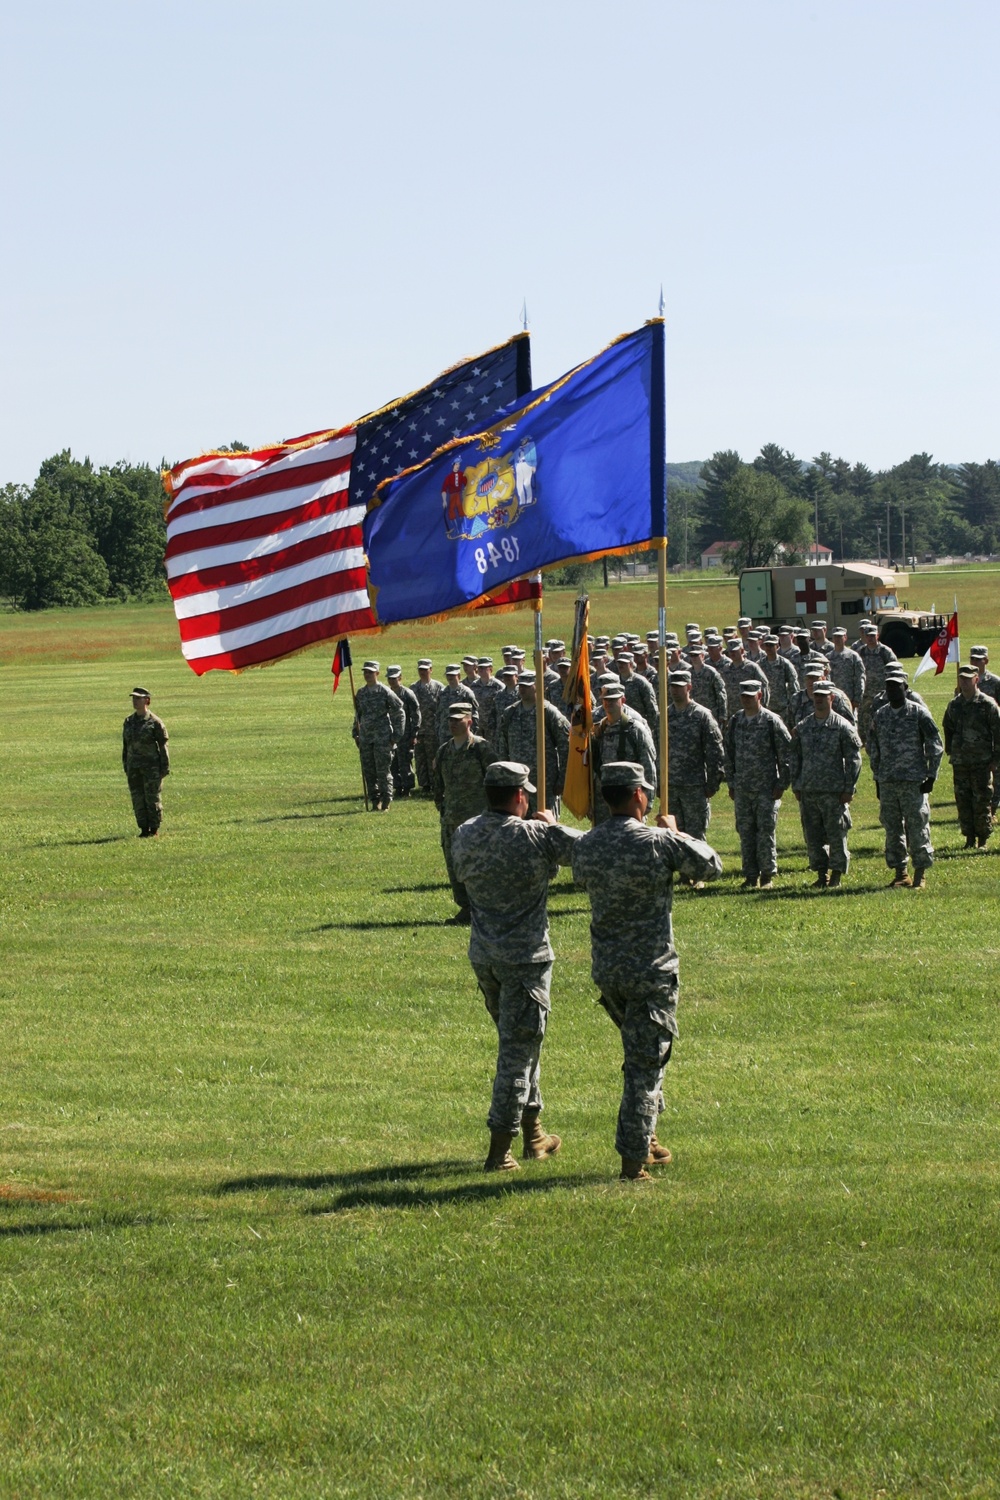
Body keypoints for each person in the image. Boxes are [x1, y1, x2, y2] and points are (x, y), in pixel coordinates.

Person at [572, 762, 722, 1181]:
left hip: (609, 969)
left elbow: (579, 870)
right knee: (644, 1066)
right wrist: (676, 834)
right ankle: (632, 1163)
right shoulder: (658, 843)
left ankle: (648, 1137)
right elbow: (711, 866)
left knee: (642, 1054)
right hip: (650, 971)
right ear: (639, 795)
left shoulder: (589, 844)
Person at [451, 761, 581, 1171]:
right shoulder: (534, 836)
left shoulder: (464, 833)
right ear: (520, 796)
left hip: (485, 956)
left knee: (522, 1044)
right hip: (525, 959)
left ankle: (535, 1134)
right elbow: (591, 851)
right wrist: (552, 827)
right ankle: (499, 1151)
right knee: (516, 1054)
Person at [867, 675, 943, 888]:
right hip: (888, 782)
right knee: (892, 829)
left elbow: (935, 744)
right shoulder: (880, 715)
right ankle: (901, 873)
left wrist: (931, 775)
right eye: (888, 687)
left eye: (896, 686)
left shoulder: (918, 713)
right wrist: (877, 778)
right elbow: (873, 748)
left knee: (917, 826)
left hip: (913, 781)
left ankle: (920, 874)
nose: (892, 690)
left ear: (905, 688)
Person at [788, 681, 862, 888]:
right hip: (809, 790)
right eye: (816, 695)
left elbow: (854, 759)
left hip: (833, 791)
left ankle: (836, 875)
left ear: (832, 698)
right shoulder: (804, 727)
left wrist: (849, 788)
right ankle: (822, 875)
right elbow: (795, 757)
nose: (818, 698)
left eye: (823, 695)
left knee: (836, 834)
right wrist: (797, 784)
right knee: (813, 836)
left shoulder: (842, 727)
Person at [724, 680, 792, 890]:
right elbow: (729, 754)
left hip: (766, 789)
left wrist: (782, 784)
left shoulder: (771, 721)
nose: (746, 699)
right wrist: (732, 782)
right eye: (743, 695)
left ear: (759, 696)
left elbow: (787, 755)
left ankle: (767, 875)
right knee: (745, 833)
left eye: (750, 696)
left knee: (765, 833)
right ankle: (750, 875)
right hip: (743, 789)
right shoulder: (736, 721)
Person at [432, 705, 495, 922]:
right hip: (451, 819)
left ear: (469, 722)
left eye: (458, 720)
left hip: (477, 820)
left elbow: (495, 781)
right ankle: (466, 907)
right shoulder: (444, 751)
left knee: (478, 864)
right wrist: (442, 807)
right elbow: (438, 786)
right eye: (450, 720)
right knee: (454, 864)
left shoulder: (481, 749)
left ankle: (483, 907)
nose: (452, 724)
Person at [942, 665, 1000, 849]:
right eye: (962, 679)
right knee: (963, 800)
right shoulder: (954, 705)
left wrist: (995, 760)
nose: (964, 682)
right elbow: (948, 727)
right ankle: (969, 838)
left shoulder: (987, 704)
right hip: (961, 762)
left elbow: (998, 734)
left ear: (976, 679)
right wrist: (951, 750)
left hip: (981, 762)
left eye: (968, 679)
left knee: (982, 800)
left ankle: (982, 839)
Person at [496, 671, 569, 815]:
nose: (522, 689)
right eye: (521, 686)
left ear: (538, 686)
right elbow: (503, 746)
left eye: (527, 686)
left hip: (545, 784)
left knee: (545, 826)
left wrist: (562, 779)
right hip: (518, 782)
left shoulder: (548, 713)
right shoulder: (510, 713)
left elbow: (565, 745)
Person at [666, 671, 725, 841]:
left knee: (695, 838)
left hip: (694, 786)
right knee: (673, 837)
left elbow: (715, 752)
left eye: (679, 686)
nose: (675, 690)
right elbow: (657, 750)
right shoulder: (665, 716)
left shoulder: (701, 716)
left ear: (689, 687)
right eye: (672, 686)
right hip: (671, 787)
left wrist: (712, 784)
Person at [590, 683, 657, 821]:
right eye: (606, 699)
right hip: (604, 799)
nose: (609, 703)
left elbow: (648, 766)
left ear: (623, 700)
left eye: (613, 699)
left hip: (629, 799)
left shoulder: (635, 730)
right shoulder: (598, 730)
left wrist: (648, 801)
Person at [352, 660, 406, 811]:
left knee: (383, 771)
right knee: (369, 771)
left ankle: (386, 800)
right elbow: (358, 715)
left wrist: (396, 735)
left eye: (370, 672)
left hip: (383, 737)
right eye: (365, 672)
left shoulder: (384, 691)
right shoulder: (361, 693)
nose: (367, 675)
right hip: (366, 737)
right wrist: (355, 733)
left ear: (377, 673)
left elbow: (399, 711)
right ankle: (375, 800)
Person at [122, 687, 169, 837]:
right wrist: (126, 765)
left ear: (147, 701)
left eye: (138, 698)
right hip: (133, 767)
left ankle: (154, 828)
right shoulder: (129, 722)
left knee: (152, 798)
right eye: (133, 698)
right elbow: (125, 745)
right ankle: (143, 828)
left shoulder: (155, 722)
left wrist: (164, 767)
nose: (135, 701)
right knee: (137, 798)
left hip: (151, 768)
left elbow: (163, 746)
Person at [411, 660, 444, 796]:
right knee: (420, 758)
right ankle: (424, 785)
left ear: (431, 670)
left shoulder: (438, 687)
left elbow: (442, 709)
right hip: (419, 730)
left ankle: (435, 784)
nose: (422, 672)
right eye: (420, 670)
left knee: (432, 758)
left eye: (425, 669)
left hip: (432, 729)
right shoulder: (413, 688)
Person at [386, 666, 420, 798]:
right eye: (390, 679)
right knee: (393, 762)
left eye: (394, 678)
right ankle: (397, 786)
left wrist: (414, 733)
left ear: (400, 678)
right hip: (391, 733)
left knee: (405, 762)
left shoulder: (407, 694)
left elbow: (416, 714)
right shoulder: (387, 693)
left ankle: (407, 787)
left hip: (405, 734)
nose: (392, 681)